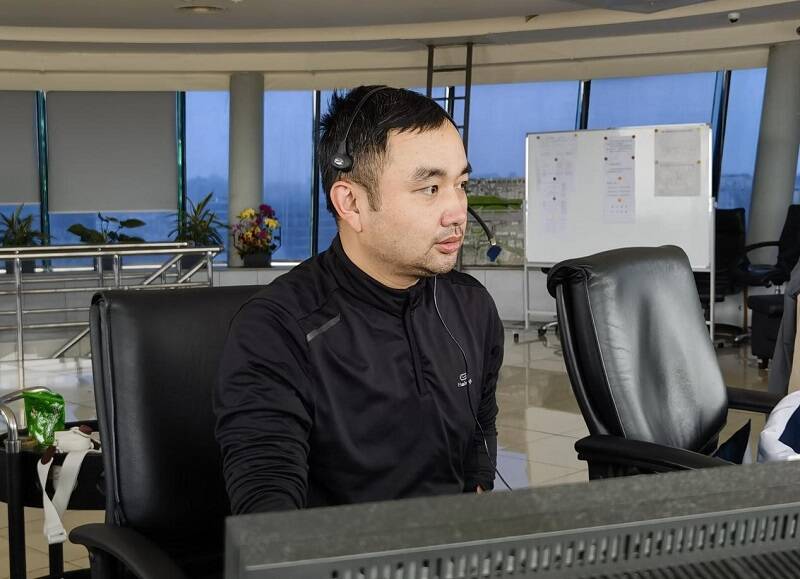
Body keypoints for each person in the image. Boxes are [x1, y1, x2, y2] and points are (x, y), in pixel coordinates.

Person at [214, 85, 504, 514]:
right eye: (430, 188)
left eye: (461, 184)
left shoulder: (472, 307)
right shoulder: (276, 331)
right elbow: (268, 516)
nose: (458, 211)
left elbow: (480, 432)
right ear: (350, 202)